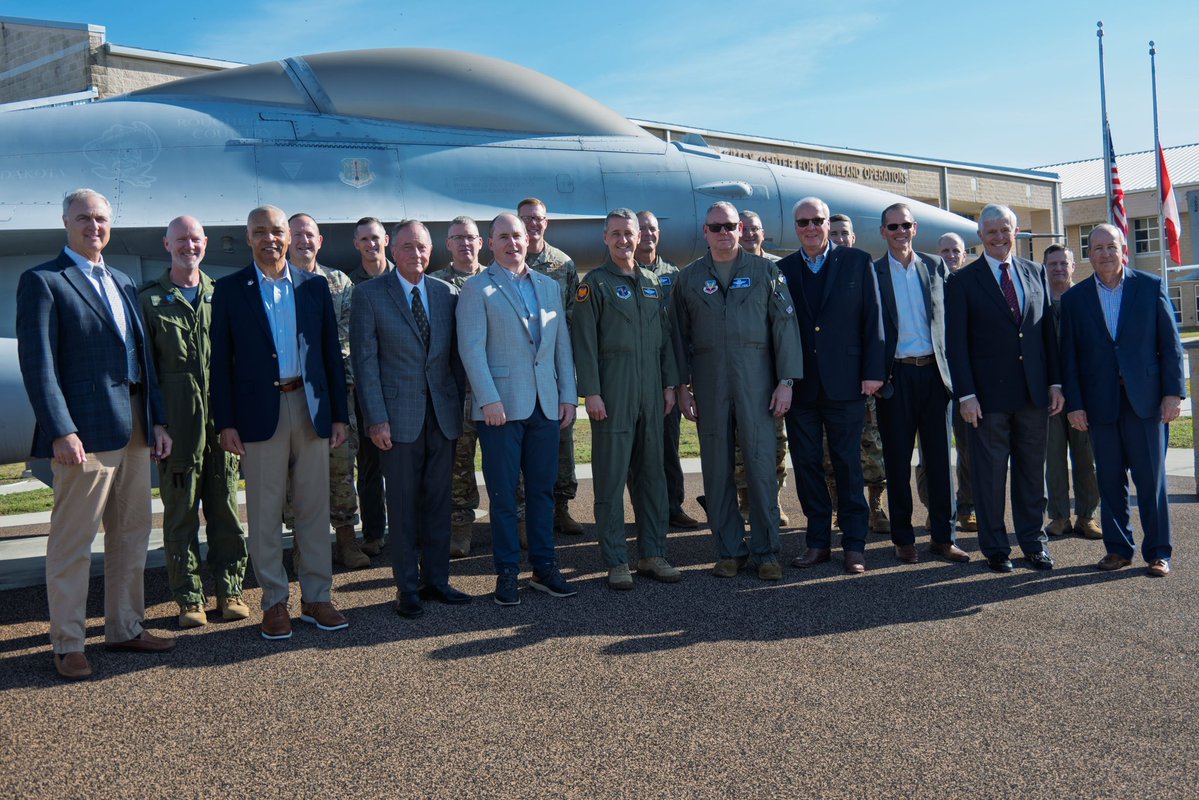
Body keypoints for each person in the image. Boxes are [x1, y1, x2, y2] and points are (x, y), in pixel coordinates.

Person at [16, 188, 174, 680]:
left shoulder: (124, 281)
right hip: (83, 431)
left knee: (132, 533)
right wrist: (61, 430)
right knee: (73, 540)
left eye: (101, 219)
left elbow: (144, 361)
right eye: (84, 218)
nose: (94, 226)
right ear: (65, 221)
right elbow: (38, 365)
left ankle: (125, 627)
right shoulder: (44, 282)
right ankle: (67, 642)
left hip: (133, 423)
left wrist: (158, 421)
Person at [211, 205, 350, 639]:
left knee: (314, 509)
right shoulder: (232, 290)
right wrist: (225, 422)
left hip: (309, 409)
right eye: (260, 232)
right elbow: (221, 363)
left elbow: (330, 353)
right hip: (259, 413)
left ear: (289, 237)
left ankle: (316, 597)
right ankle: (274, 601)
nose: (269, 239)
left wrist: (340, 415)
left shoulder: (314, 286)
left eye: (276, 231)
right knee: (265, 512)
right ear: (248, 238)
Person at [672, 201, 803, 581]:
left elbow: (785, 327)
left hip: (758, 382)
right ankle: (729, 550)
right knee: (716, 469)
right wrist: (682, 386)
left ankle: (765, 552)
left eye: (730, 226)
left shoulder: (766, 271)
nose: (725, 233)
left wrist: (786, 381)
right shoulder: (689, 278)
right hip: (710, 382)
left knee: (762, 466)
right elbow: (678, 337)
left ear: (741, 229)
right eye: (716, 227)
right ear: (705, 232)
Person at [457, 213, 579, 605]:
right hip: (500, 410)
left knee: (543, 493)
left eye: (518, 236)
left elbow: (561, 346)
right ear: (490, 243)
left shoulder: (548, 286)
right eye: (504, 236)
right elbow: (471, 348)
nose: (513, 242)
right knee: (504, 496)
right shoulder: (477, 288)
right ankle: (507, 572)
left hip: (545, 406)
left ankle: (544, 568)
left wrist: (567, 396)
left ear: (528, 240)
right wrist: (488, 398)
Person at [352, 220, 469, 618]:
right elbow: (366, 365)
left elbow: (455, 360)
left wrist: (457, 407)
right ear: (392, 248)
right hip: (396, 421)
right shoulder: (369, 296)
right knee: (401, 507)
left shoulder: (446, 293)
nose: (415, 254)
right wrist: (376, 419)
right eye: (406, 247)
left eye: (421, 247)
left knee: (438, 503)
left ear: (431, 250)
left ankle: (436, 580)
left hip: (442, 416)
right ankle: (407, 588)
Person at [138, 216, 249, 629]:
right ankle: (189, 599)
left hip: (220, 425)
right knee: (180, 516)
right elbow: (146, 370)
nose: (189, 245)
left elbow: (236, 365)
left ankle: (231, 591)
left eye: (195, 239)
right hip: (178, 426)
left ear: (205, 244)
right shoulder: (148, 300)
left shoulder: (220, 296)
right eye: (180, 239)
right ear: (167, 244)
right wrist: (157, 424)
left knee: (226, 513)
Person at [1060, 224, 1184, 577]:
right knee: (1110, 481)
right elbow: (1069, 357)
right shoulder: (1075, 299)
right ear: (1089, 254)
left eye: (1110, 247)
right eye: (1096, 248)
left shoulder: (1150, 287)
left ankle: (1159, 552)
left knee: (1151, 481)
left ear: (1123, 249)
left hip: (1146, 403)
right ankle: (1118, 550)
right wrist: (1075, 404)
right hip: (1100, 405)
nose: (1104, 253)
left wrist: (1173, 394)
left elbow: (1171, 347)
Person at [946, 204, 1061, 573]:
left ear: (1016, 231)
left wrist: (1055, 383)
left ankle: (1033, 544)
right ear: (980, 236)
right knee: (990, 477)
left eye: (1005, 230)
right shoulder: (963, 280)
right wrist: (965, 394)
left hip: (1033, 395)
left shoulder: (1035, 272)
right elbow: (956, 344)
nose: (998, 237)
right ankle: (995, 548)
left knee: (1031, 474)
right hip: (986, 399)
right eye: (991, 231)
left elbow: (1046, 336)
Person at [573, 208, 681, 590]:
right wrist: (593, 393)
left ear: (640, 237)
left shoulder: (653, 282)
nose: (623, 240)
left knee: (653, 476)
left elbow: (666, 339)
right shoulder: (594, 284)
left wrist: (670, 385)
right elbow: (583, 343)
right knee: (610, 478)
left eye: (628, 233)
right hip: (614, 393)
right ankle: (617, 560)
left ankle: (653, 554)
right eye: (615, 233)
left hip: (652, 392)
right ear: (605, 237)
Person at [780, 197, 884, 574]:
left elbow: (874, 319)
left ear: (828, 224)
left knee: (847, 465)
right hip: (802, 388)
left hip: (847, 385)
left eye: (817, 220)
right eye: (803, 222)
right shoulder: (784, 269)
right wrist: (783, 380)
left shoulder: (857, 261)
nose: (810, 227)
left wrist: (873, 372)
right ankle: (817, 542)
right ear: (796, 227)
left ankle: (854, 545)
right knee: (807, 466)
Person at [872, 204, 969, 564]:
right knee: (897, 462)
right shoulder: (874, 272)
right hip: (895, 377)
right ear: (883, 231)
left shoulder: (935, 266)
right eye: (893, 226)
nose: (900, 232)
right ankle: (903, 538)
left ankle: (944, 538)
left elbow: (953, 319)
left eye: (906, 225)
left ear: (915, 229)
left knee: (940, 461)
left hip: (934, 376)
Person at [286, 213, 368, 569]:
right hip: (291, 394)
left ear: (320, 241)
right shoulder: (277, 281)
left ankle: (347, 540)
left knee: (341, 466)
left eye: (310, 235)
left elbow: (349, 338)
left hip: (335, 392)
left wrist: (343, 385)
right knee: (296, 474)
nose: (304, 241)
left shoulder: (338, 282)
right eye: (297, 235)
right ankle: (303, 546)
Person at [518, 197, 584, 536]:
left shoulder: (563, 264)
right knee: (520, 440)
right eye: (526, 218)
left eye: (538, 218)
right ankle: (522, 515)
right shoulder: (506, 260)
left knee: (561, 438)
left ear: (546, 223)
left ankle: (561, 507)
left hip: (556, 369)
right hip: (518, 368)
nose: (532, 224)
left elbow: (572, 319)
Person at [824, 212, 888, 534]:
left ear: (853, 237)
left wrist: (873, 373)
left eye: (843, 232)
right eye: (832, 232)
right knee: (832, 451)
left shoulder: (866, 268)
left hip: (863, 381)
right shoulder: (820, 270)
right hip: (832, 380)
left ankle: (875, 507)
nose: (838, 237)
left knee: (872, 447)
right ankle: (839, 509)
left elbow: (874, 324)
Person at [635, 210, 698, 530]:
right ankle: (645, 510)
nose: (647, 234)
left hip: (666, 374)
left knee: (668, 444)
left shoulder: (674, 274)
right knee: (637, 449)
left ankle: (673, 506)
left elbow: (681, 329)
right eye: (641, 228)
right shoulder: (624, 271)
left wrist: (680, 379)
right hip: (633, 374)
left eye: (652, 229)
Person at [429, 216, 486, 557]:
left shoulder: (497, 279)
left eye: (471, 237)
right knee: (459, 464)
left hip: (495, 387)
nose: (465, 243)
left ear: (481, 243)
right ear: (447, 244)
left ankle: (519, 522)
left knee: (507, 462)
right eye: (457, 238)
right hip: (457, 390)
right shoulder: (436, 283)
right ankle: (461, 529)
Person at [735, 209, 790, 526]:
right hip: (740, 373)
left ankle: (773, 499)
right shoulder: (724, 268)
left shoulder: (776, 269)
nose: (749, 235)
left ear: (762, 232)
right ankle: (744, 502)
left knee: (776, 442)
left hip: (771, 373)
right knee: (740, 442)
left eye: (755, 229)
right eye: (744, 229)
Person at [1043, 244, 1101, 539]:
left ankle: (1087, 515)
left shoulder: (1087, 299)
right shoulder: (1038, 301)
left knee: (1086, 457)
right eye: (1052, 264)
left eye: (1063, 263)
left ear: (1073, 266)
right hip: (1048, 394)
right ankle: (1059, 516)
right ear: (1045, 267)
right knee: (1053, 457)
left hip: (1083, 391)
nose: (1058, 269)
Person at [344, 216, 394, 557]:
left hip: (402, 384)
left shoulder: (402, 275)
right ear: (356, 244)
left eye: (375, 237)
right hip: (366, 386)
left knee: (409, 464)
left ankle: (413, 528)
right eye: (364, 239)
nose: (370, 244)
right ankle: (374, 533)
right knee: (370, 466)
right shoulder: (349, 284)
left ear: (386, 240)